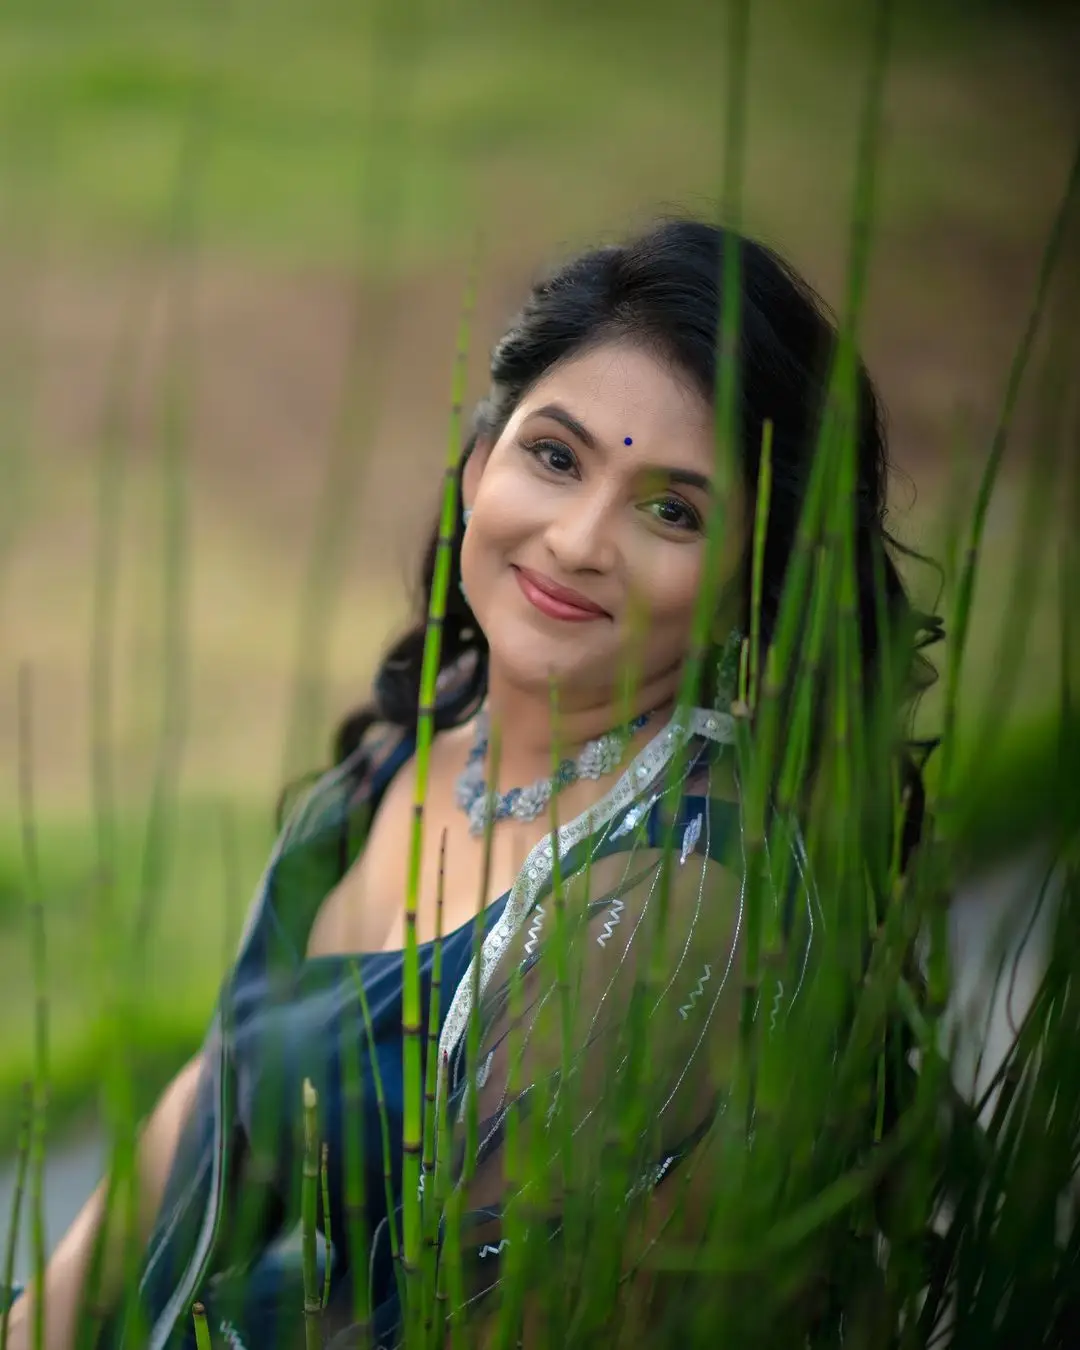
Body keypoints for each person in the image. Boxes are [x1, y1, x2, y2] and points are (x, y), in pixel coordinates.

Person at [3, 218, 938, 1350]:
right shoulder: (401, 758)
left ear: (757, 585)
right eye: (555, 456)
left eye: (671, 510)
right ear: (478, 460)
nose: (580, 539)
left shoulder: (655, 902)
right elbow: (216, 1091)